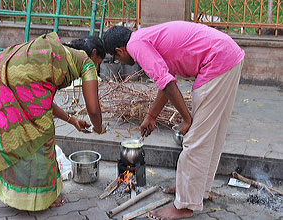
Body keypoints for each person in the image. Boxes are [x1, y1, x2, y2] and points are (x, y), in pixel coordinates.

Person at [103, 21, 245, 219]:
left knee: (195, 140)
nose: (121, 62)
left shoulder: (136, 46)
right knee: (211, 134)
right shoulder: (143, 37)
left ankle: (184, 206)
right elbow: (166, 79)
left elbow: (168, 83)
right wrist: (150, 117)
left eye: (117, 58)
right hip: (228, 55)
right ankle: (195, 192)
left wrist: (187, 118)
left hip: (218, 60)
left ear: (120, 50)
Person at [0, 32, 106, 211]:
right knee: (44, 135)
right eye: (99, 62)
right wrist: (99, 128)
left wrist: (72, 120)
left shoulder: (58, 53)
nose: (97, 67)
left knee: (18, 135)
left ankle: (14, 194)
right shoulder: (86, 62)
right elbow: (93, 109)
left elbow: (41, 101)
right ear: (93, 54)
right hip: (9, 75)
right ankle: (44, 198)